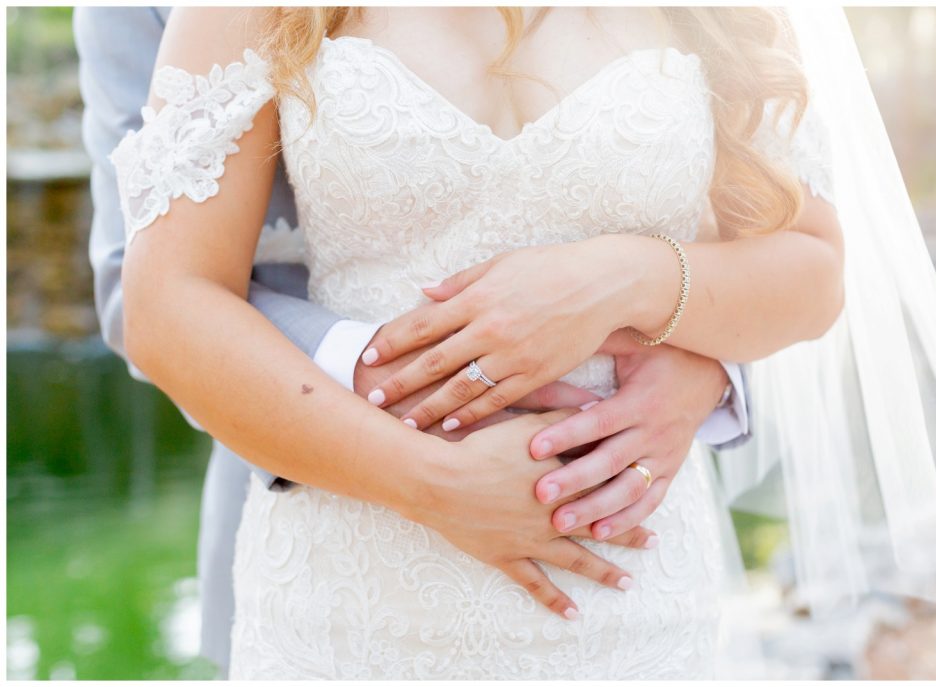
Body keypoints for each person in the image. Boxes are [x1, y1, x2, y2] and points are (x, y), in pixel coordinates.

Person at [107, 5, 936, 679]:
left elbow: (811, 270)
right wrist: (433, 484)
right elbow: (165, 301)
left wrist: (634, 277)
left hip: (627, 602)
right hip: (349, 595)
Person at [75, 6, 752, 677]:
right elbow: (148, 294)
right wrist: (428, 448)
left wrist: (679, 327)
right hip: (342, 564)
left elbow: (806, 249)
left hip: (633, 582)